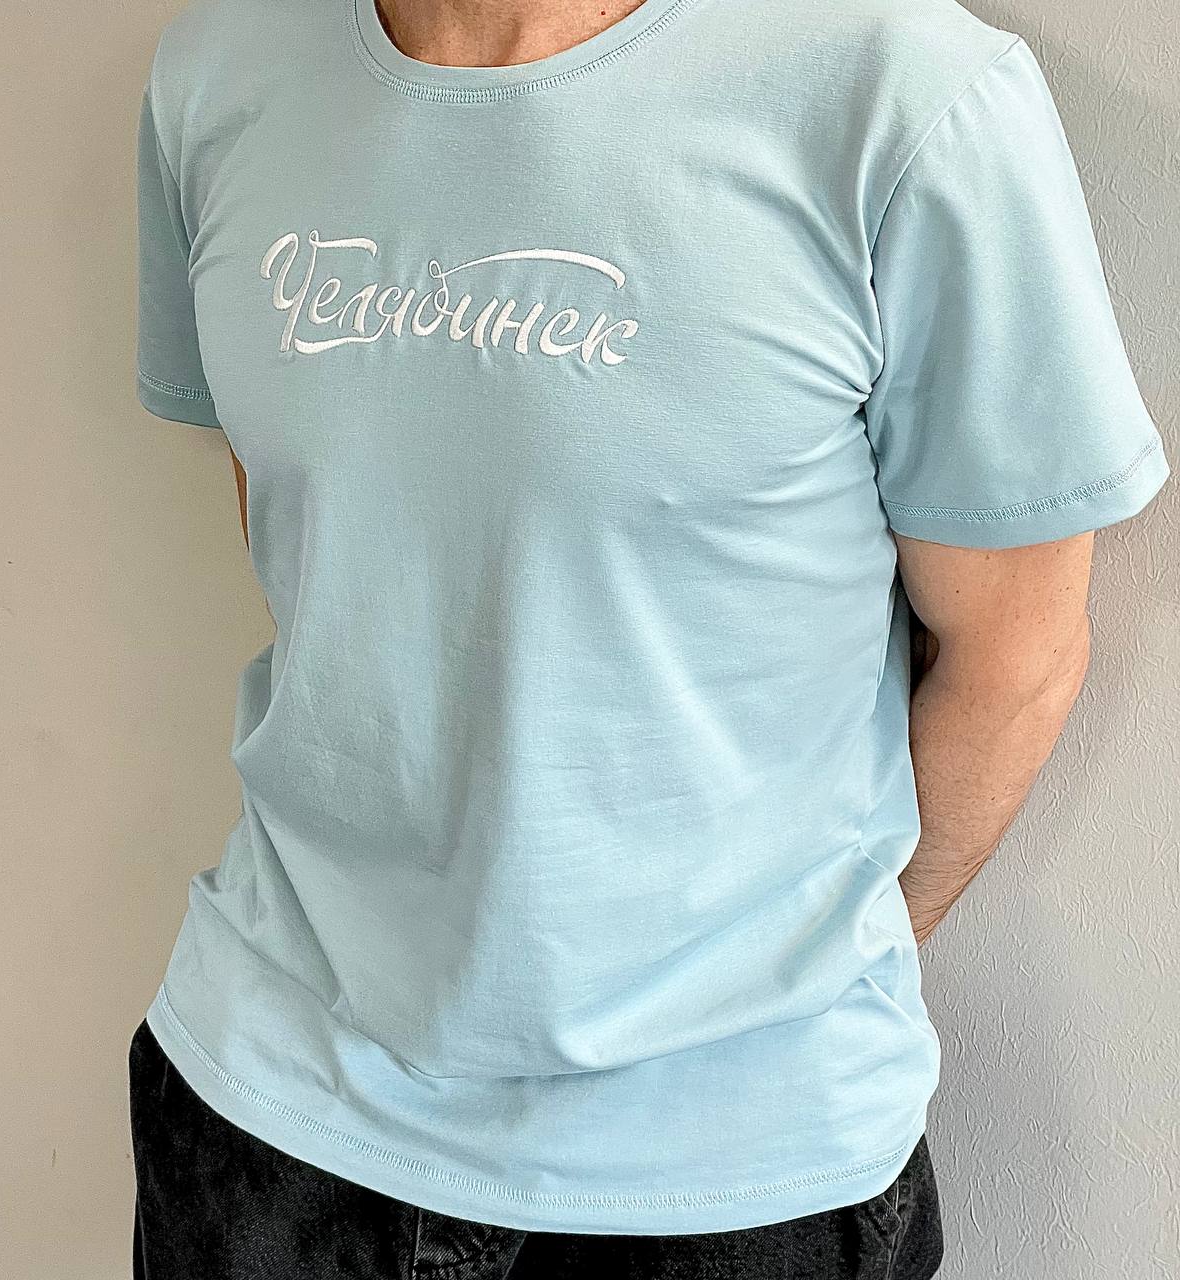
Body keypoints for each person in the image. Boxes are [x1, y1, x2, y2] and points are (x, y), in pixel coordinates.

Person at [128, 0, 1170, 1276]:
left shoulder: (902, 95)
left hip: (733, 1181)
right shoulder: (219, 68)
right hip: (261, 1120)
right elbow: (300, 532)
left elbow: (1016, 656)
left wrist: (788, 982)